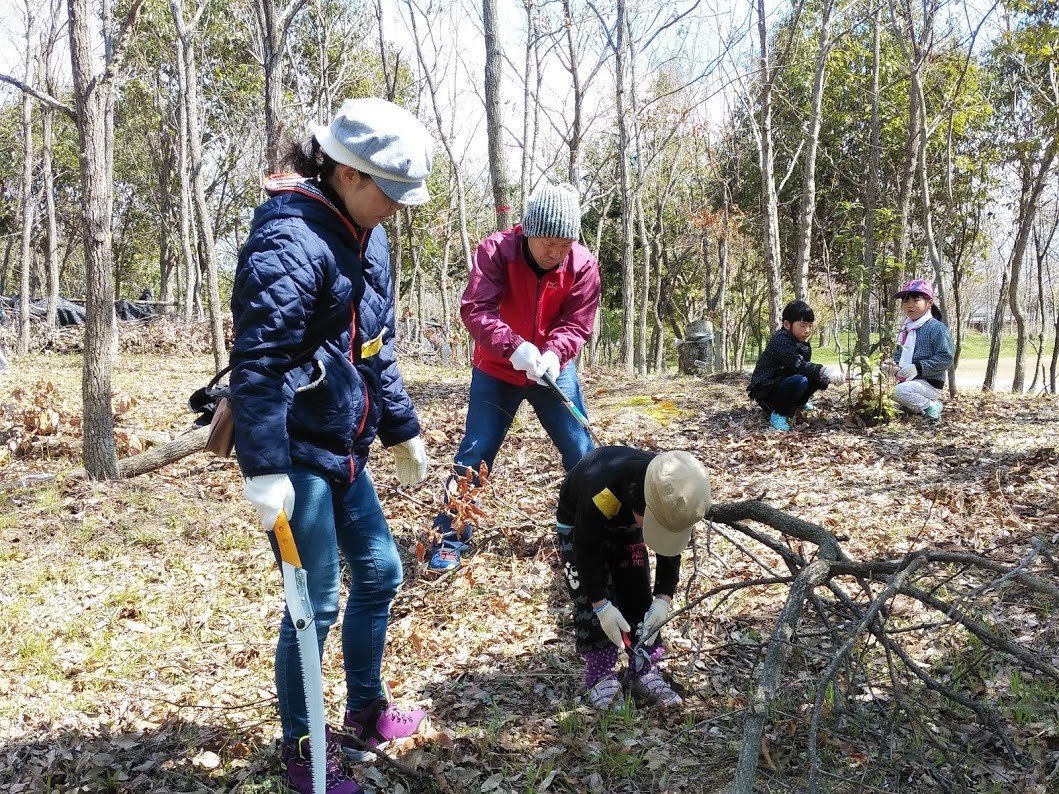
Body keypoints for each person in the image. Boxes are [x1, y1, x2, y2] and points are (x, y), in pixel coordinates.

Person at [229, 97, 434, 794]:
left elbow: (374, 346)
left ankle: (364, 708)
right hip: (293, 451)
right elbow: (258, 364)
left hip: (345, 443)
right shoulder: (288, 242)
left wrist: (401, 427)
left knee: (380, 572)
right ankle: (304, 751)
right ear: (347, 174)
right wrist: (264, 470)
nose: (397, 209)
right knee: (311, 606)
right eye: (390, 192)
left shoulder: (364, 235)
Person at [427, 182, 601, 571]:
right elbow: (476, 309)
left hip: (552, 373)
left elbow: (577, 323)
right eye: (547, 243)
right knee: (476, 451)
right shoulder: (496, 251)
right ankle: (451, 534)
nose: (555, 254)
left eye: (564, 245)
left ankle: (589, 530)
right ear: (528, 229)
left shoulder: (583, 265)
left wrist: (555, 354)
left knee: (581, 451)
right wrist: (514, 347)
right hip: (498, 367)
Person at [555, 447, 711, 710]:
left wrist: (663, 598)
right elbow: (587, 549)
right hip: (580, 530)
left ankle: (643, 669)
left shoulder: (670, 493)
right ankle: (600, 674)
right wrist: (601, 606)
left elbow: (670, 549)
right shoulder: (601, 489)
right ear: (641, 506)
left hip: (626, 525)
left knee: (637, 590)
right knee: (591, 600)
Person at [747, 299, 845, 432]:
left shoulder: (802, 344)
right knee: (801, 380)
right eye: (803, 326)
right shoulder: (780, 340)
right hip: (767, 393)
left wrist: (825, 379)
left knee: (816, 378)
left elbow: (806, 369)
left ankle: (800, 403)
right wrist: (824, 370)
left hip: (783, 385)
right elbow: (798, 365)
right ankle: (779, 414)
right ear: (787, 324)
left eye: (810, 326)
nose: (807, 330)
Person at [885, 278, 954, 419]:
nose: (910, 305)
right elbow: (899, 354)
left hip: (930, 383)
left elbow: (946, 358)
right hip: (907, 381)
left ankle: (932, 407)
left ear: (929, 303)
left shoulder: (937, 328)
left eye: (916, 300)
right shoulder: (905, 328)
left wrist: (919, 367)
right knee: (886, 401)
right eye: (905, 301)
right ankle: (915, 409)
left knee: (897, 392)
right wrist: (893, 365)